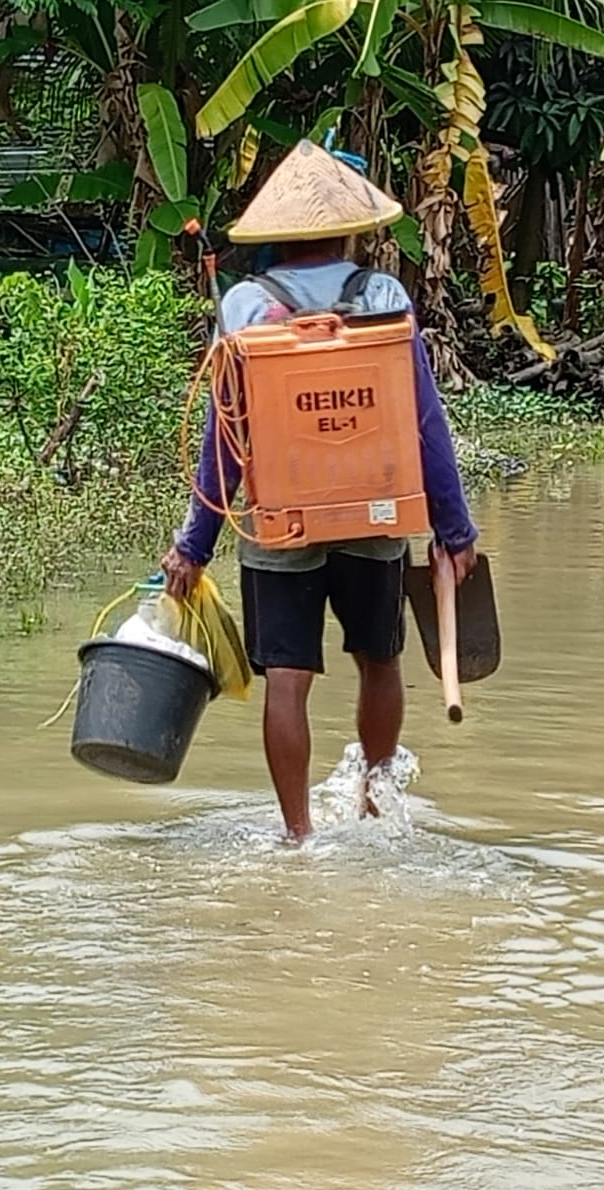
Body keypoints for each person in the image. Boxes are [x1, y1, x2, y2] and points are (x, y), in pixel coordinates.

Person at [160, 140, 479, 844]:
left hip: (282, 518)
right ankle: (371, 799)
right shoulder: (383, 296)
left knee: (289, 679)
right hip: (374, 511)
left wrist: (195, 545)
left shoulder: (245, 304)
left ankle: (298, 834)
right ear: (350, 228)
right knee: (381, 659)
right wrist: (453, 531)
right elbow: (423, 419)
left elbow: (227, 434)